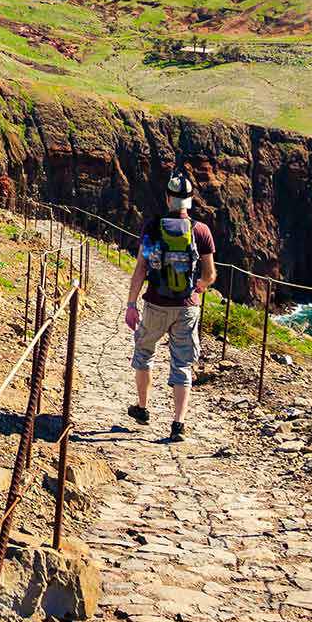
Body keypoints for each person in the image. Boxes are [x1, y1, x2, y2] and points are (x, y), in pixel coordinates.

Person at [123, 173, 216, 442]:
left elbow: (141, 268)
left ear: (168, 198)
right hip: (188, 307)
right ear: (190, 201)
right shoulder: (201, 231)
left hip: (155, 303)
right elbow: (209, 274)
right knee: (182, 363)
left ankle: (142, 408)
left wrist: (131, 304)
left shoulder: (153, 227)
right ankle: (178, 424)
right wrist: (198, 288)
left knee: (144, 352)